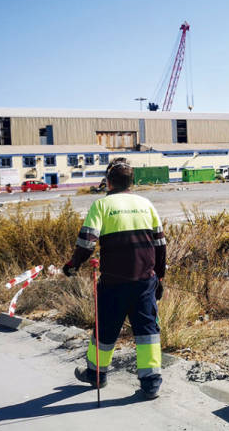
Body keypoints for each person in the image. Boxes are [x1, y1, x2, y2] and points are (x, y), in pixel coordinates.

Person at [62, 158, 167, 399]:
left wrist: (72, 265)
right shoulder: (146, 204)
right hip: (144, 281)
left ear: (108, 182)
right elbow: (161, 245)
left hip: (114, 282)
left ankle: (97, 374)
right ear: (132, 182)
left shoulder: (102, 205)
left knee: (106, 328)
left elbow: (87, 242)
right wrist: (160, 277)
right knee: (147, 330)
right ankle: (151, 382)